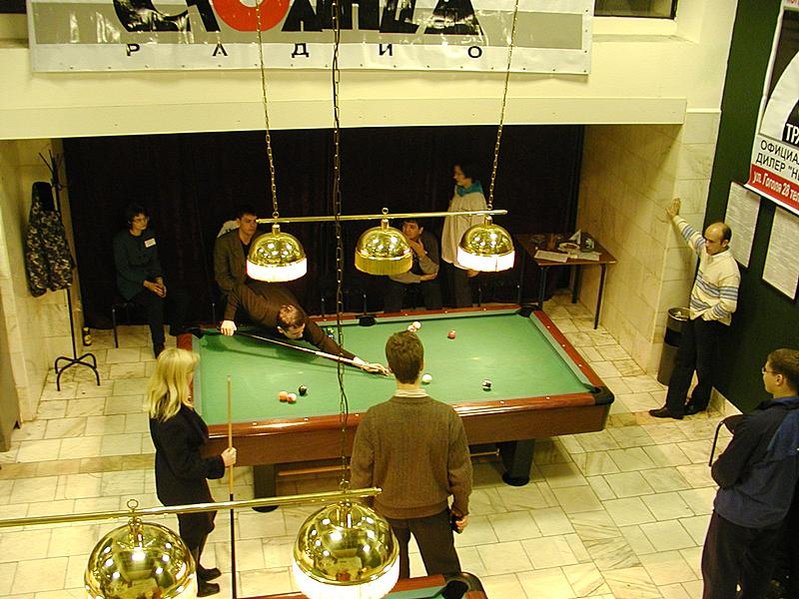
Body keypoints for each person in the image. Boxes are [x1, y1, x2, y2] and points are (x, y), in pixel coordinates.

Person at [350, 330, 473, 579]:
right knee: (447, 576)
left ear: (390, 368)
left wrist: (365, 513)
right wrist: (460, 509)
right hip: (434, 512)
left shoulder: (373, 418)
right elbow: (461, 472)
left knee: (393, 578)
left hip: (387, 512)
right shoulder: (446, 416)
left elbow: (360, 473)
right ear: (422, 364)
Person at [701, 349, 799, 599]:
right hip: (776, 513)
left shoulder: (758, 424)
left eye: (766, 369)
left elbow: (725, 473)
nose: (763, 374)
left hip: (738, 515)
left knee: (720, 574)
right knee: (758, 573)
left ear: (779, 379)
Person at [147, 347, 237, 597]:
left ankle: (196, 567)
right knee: (194, 529)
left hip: (182, 481)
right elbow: (184, 466)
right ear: (178, 376)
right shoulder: (170, 419)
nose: (192, 376)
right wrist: (220, 462)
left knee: (206, 518)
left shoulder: (172, 403)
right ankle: (191, 580)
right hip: (179, 486)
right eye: (189, 372)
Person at [650, 198, 740, 419]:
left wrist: (706, 315)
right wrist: (675, 217)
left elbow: (729, 304)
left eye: (711, 241)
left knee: (704, 367)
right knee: (683, 360)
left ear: (725, 243)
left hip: (710, 322)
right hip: (695, 315)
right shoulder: (707, 251)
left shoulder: (728, 269)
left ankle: (699, 403)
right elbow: (691, 235)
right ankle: (673, 407)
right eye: (707, 239)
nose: (706, 244)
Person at [220, 280, 389, 374]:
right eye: (295, 334)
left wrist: (362, 364)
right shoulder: (260, 312)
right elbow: (238, 290)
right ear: (281, 330)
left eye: (301, 331)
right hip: (257, 291)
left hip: (280, 292)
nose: (302, 336)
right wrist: (228, 319)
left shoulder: (304, 322)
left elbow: (327, 345)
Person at [113, 203, 188, 358]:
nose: (143, 223)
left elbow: (154, 261)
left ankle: (176, 327)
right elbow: (123, 269)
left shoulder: (149, 235)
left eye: (145, 219)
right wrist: (148, 284)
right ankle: (158, 344)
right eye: (138, 220)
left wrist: (159, 281)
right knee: (155, 302)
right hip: (131, 284)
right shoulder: (120, 240)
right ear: (130, 222)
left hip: (150, 277)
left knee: (181, 295)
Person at [441, 163, 487, 308]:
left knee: (462, 292)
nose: (455, 177)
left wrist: (476, 263)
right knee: (453, 291)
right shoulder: (458, 191)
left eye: (459, 174)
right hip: (451, 250)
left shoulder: (476, 198)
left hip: (464, 254)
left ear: (469, 176)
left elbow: (478, 231)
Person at [383, 218, 443, 313]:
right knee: (394, 288)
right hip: (402, 276)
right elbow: (394, 274)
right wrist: (421, 278)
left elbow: (433, 271)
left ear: (420, 230)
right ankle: (390, 318)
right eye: (404, 226)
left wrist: (421, 254)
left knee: (432, 287)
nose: (407, 230)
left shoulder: (428, 239)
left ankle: (436, 316)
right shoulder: (395, 240)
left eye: (412, 227)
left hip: (422, 273)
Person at [213, 204, 260, 307]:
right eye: (248, 221)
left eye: (255, 221)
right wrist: (242, 291)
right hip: (233, 291)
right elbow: (222, 276)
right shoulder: (224, 242)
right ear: (238, 222)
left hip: (259, 290)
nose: (252, 225)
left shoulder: (261, 239)